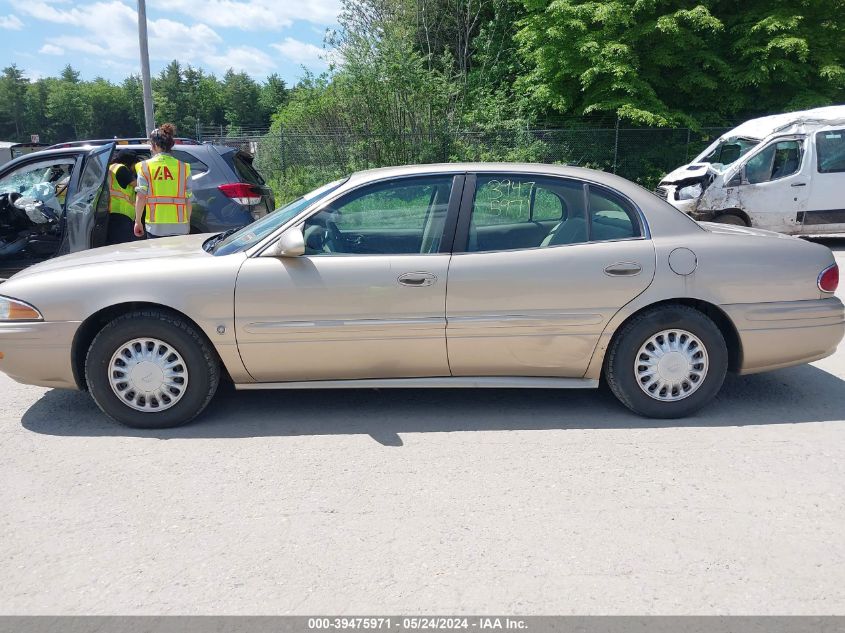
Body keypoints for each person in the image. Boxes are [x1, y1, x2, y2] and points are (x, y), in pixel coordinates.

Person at [133, 123, 192, 239]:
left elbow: (141, 197)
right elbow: (188, 200)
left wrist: (138, 221)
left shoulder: (144, 166)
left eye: (150, 145)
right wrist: (188, 223)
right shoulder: (184, 167)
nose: (150, 148)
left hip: (156, 226)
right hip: (180, 226)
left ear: (155, 145)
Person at [106, 150, 138, 245]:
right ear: (130, 162)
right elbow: (137, 184)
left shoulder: (111, 167)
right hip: (122, 213)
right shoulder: (122, 169)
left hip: (113, 211)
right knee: (123, 245)